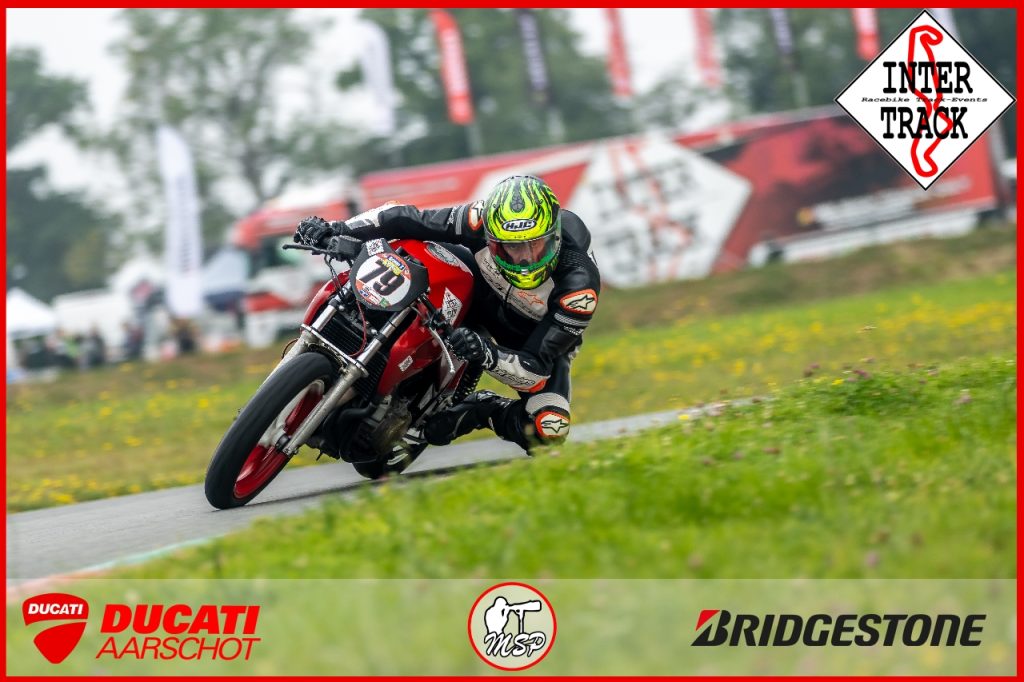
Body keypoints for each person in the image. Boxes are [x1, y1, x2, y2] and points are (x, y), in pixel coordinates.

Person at [294, 175, 601, 452]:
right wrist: (339, 229)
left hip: (530, 337)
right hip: (476, 289)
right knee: (417, 249)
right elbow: (408, 218)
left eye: (535, 246)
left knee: (550, 428)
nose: (523, 260)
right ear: (492, 237)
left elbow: (537, 371)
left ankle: (480, 410)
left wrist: (488, 354)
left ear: (554, 236)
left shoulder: (579, 287)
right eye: (510, 248)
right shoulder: (480, 219)